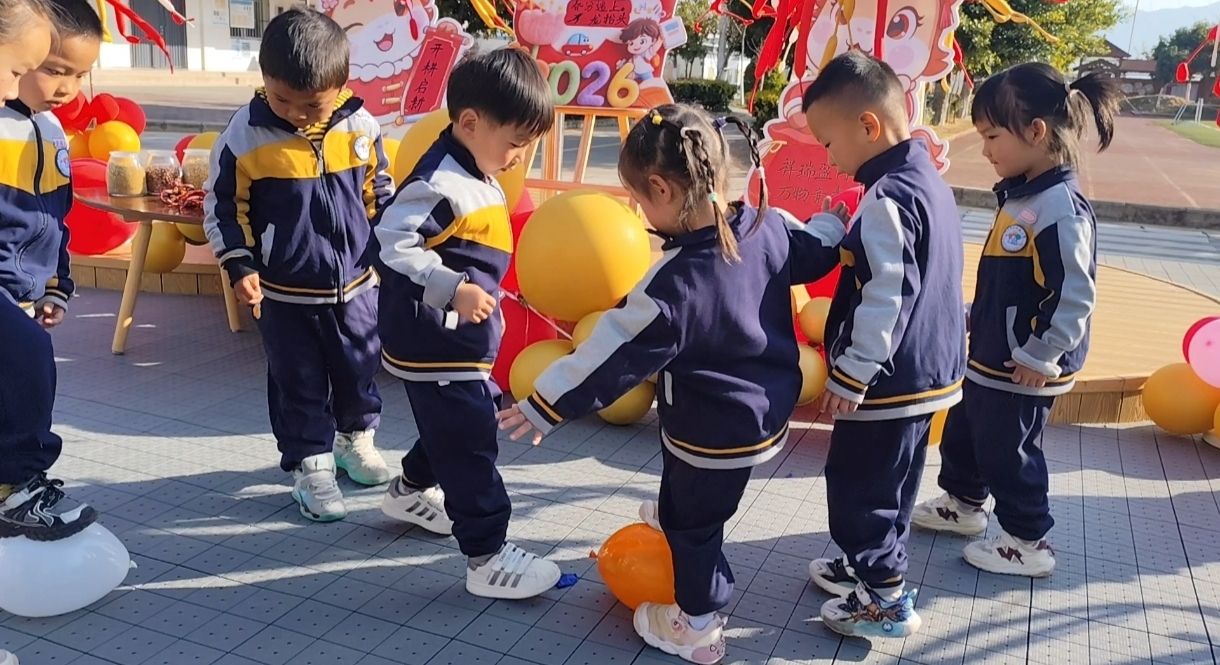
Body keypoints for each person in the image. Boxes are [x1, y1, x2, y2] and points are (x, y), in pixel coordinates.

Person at [498, 104, 847, 664]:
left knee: (695, 526)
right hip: (762, 417)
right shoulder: (767, 225)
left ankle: (698, 625)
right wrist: (834, 225)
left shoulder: (673, 285)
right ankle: (676, 514)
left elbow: (610, 352)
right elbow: (815, 247)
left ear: (661, 189)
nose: (639, 211)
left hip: (706, 432)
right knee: (698, 493)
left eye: (639, 200)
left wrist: (545, 403)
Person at [911, 63, 1117, 578]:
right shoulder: (1024, 195)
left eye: (991, 136)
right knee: (967, 431)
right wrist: (976, 316)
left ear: (1036, 132)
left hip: (1025, 364)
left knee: (1009, 449)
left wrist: (1042, 354)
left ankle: (1027, 540)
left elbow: (1073, 294)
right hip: (994, 355)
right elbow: (1013, 282)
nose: (985, 150)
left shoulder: (1059, 208)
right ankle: (963, 503)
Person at [373, 47, 563, 600]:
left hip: (456, 344)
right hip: (437, 343)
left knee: (452, 426)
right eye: (516, 143)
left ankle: (408, 491)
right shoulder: (441, 181)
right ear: (472, 122)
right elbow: (390, 241)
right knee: (469, 441)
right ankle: (487, 556)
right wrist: (452, 287)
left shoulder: (474, 169)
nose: (519, 157)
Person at [204, 7, 394, 522]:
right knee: (298, 380)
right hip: (283, 293)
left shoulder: (361, 126)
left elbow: (379, 193)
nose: (295, 113)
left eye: (311, 104)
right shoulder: (245, 134)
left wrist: (389, 254)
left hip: (357, 285)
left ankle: (354, 440)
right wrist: (239, 263)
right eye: (281, 99)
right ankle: (311, 466)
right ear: (265, 79)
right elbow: (224, 206)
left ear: (341, 85)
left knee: (359, 368)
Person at [800, 51, 966, 638]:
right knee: (894, 481)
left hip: (886, 380)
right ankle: (866, 567)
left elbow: (888, 294)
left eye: (828, 142)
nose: (829, 157)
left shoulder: (887, 197)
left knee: (860, 487)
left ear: (868, 125)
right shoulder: (925, 182)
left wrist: (853, 372)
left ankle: (884, 598)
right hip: (927, 371)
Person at [0, 0, 101, 544]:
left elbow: (55, 217)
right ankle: (16, 484)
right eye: (52, 70)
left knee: (21, 378)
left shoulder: (53, 129)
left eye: (79, 75)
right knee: (27, 364)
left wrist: (57, 285)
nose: (67, 87)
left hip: (24, 291)